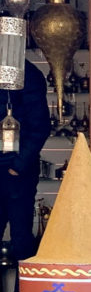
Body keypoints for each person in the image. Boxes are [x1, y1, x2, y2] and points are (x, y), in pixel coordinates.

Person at [0, 60, 49, 264]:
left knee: (21, 239)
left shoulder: (27, 72)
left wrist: (18, 166)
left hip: (16, 169)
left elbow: (40, 125)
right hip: (12, 164)